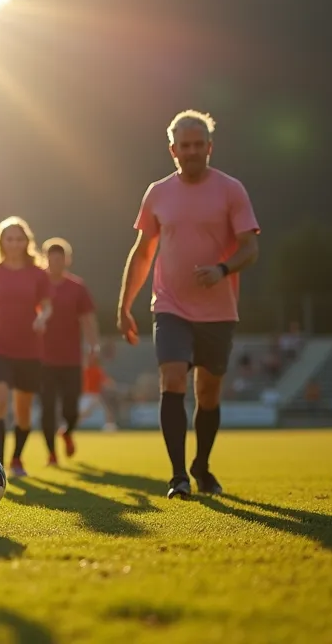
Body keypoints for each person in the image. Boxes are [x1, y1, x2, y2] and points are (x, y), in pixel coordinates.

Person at [118, 110, 260, 499]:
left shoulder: (231, 190)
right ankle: (178, 476)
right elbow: (143, 252)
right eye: (185, 146)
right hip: (170, 305)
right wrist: (124, 305)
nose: (192, 151)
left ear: (210, 147)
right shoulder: (158, 192)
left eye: (199, 145)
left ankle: (202, 466)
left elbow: (250, 248)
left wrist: (222, 268)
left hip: (219, 309)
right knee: (173, 379)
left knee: (209, 393)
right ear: (173, 150)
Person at [0, 217, 53, 478]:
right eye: (10, 239)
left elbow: (47, 306)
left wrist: (42, 317)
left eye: (19, 239)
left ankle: (17, 458)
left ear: (27, 242)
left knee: (23, 411)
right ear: (1, 242)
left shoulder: (38, 274)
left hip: (29, 349)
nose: (14, 244)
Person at [38, 237, 99, 462]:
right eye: (52, 259)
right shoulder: (37, 285)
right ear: (45, 259)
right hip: (42, 359)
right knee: (47, 407)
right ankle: (51, 452)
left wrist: (93, 345)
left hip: (71, 359)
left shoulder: (77, 287)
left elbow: (88, 319)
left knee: (71, 408)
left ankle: (67, 431)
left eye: (60, 259)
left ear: (67, 260)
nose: (56, 263)